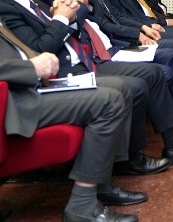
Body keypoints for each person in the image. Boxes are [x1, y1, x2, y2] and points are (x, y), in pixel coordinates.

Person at [0, 0, 173, 170]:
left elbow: (100, 21)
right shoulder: (29, 1)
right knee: (149, 74)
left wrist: (76, 11)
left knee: (160, 66)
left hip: (93, 55)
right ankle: (131, 158)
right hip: (75, 66)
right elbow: (44, 46)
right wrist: (72, 12)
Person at [0, 23, 139, 221]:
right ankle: (82, 205)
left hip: (29, 89)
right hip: (14, 102)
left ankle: (100, 184)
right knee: (108, 101)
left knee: (115, 90)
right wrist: (31, 67)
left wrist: (38, 62)